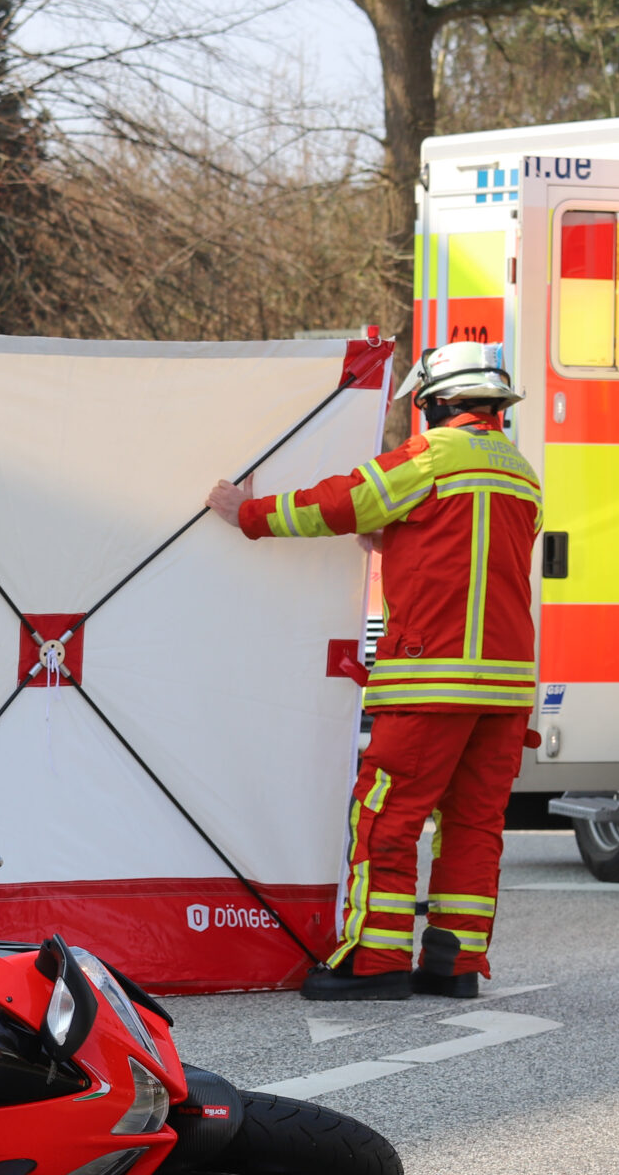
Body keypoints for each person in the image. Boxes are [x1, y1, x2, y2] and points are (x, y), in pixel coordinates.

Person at [206, 341, 541, 1002]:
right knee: (473, 825)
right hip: (505, 684)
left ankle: (376, 961)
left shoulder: (429, 458)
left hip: (432, 680)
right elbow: (469, 552)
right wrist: (398, 537)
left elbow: (338, 502)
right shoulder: (521, 473)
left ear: (436, 401)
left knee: (386, 818)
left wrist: (246, 511)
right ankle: (455, 963)